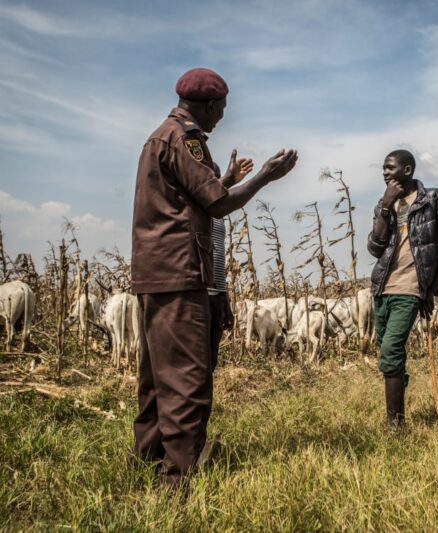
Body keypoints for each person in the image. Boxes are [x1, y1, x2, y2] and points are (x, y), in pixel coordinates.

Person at [130, 67, 298, 487]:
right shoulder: (185, 139)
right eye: (221, 108)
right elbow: (218, 206)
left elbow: (192, 200)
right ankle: (177, 485)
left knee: (155, 380)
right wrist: (266, 177)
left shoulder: (160, 137)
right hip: (181, 275)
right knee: (187, 380)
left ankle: (145, 465)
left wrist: (224, 181)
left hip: (156, 276)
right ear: (207, 105)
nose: (221, 116)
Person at [367, 149, 438, 430]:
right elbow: (375, 248)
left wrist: (432, 286)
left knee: (390, 350)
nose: (385, 172)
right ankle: (397, 409)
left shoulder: (434, 200)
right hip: (383, 288)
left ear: (407, 170)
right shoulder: (384, 204)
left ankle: (395, 425)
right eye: (383, 168)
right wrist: (385, 208)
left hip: (411, 289)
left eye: (390, 168)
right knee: (388, 356)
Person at [208, 154, 253, 372]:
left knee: (210, 361)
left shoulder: (219, 216)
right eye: (212, 179)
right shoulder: (197, 212)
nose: (218, 185)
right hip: (198, 294)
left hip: (215, 293)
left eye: (219, 179)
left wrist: (223, 293)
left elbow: (218, 256)